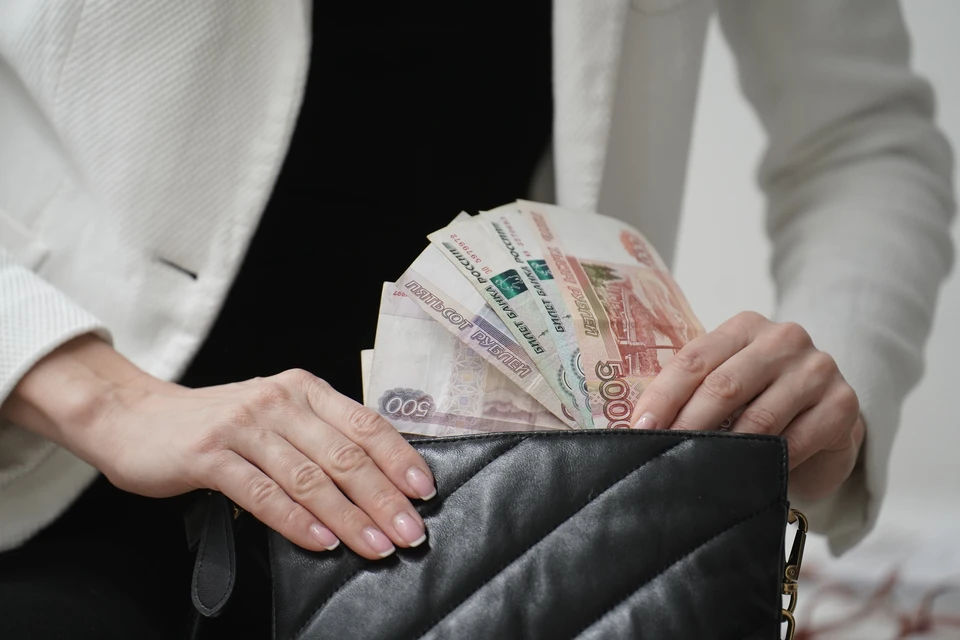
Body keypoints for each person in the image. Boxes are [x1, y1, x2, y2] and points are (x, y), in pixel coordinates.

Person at [0, 1, 954, 637]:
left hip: (511, 537)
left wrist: (828, 394)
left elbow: (861, 138)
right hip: (55, 478)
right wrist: (100, 397)